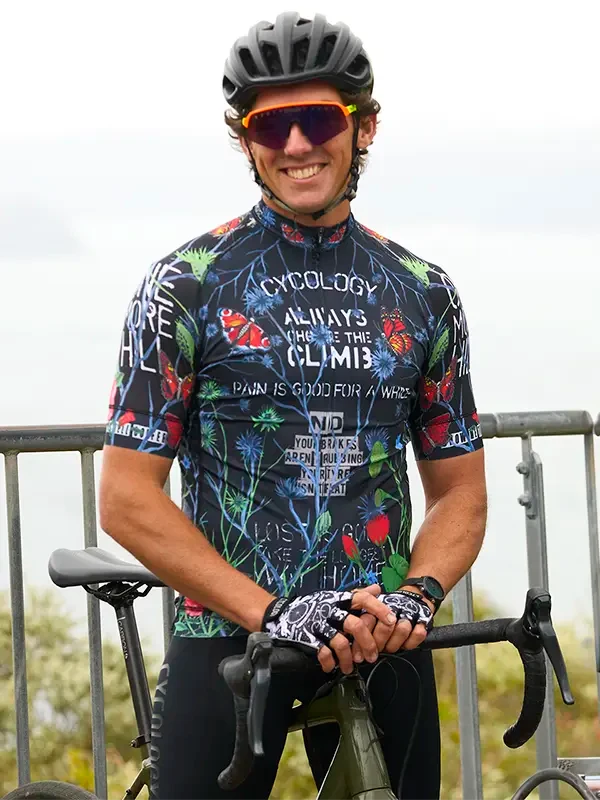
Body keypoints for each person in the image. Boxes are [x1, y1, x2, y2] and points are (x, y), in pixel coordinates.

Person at [99, 11, 487, 799]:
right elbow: (126, 496)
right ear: (246, 141)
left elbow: (461, 492)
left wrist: (418, 594)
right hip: (232, 636)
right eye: (272, 125)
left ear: (365, 127)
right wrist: (273, 612)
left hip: (380, 636)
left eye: (320, 119)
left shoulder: (424, 292)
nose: (297, 144)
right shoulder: (186, 285)